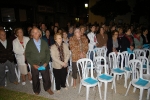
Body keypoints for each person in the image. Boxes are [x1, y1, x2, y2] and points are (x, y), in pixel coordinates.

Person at [25, 28, 54, 95]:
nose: (35, 34)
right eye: (34, 33)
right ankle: (36, 90)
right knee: (35, 78)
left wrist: (46, 62)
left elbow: (47, 53)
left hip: (43, 63)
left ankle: (48, 88)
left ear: (40, 34)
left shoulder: (44, 42)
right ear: (32, 34)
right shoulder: (29, 44)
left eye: (37, 32)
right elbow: (28, 55)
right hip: (35, 64)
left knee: (46, 76)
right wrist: (33, 64)